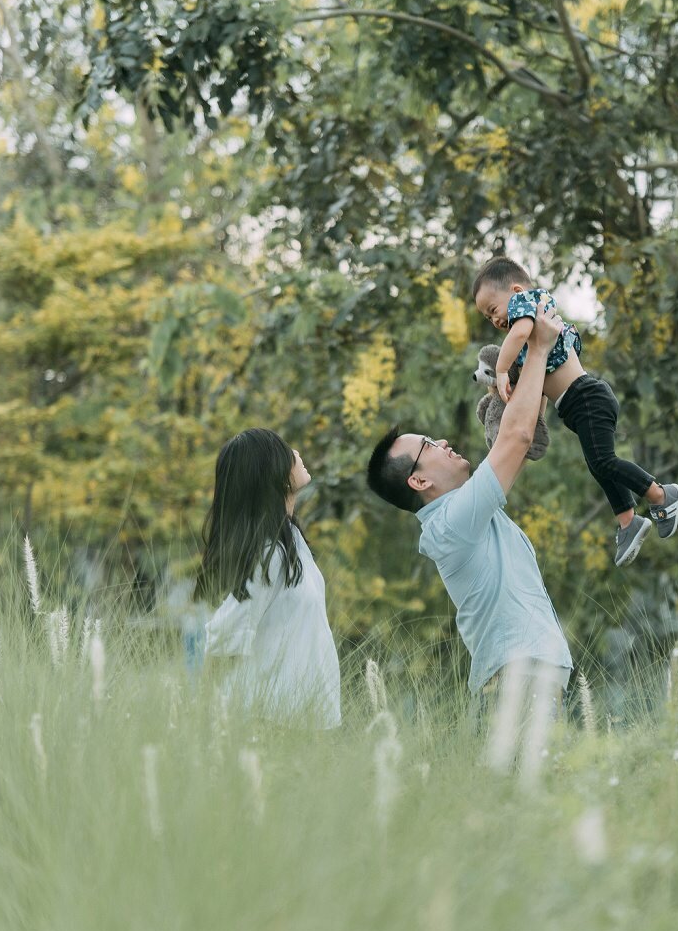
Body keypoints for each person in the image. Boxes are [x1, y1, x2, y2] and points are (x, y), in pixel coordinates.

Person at [365, 303, 571, 719]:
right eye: (428, 446)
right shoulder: (450, 525)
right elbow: (515, 438)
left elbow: (519, 433)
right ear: (419, 481)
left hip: (530, 677)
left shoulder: (464, 516)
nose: (442, 442)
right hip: (517, 679)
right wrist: (536, 350)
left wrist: (520, 376)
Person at [471, 256, 678, 567]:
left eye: (493, 310)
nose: (495, 321)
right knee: (598, 465)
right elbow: (537, 385)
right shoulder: (535, 330)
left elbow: (516, 336)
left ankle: (662, 496)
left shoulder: (527, 306)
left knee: (603, 460)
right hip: (579, 403)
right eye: (487, 318)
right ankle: (628, 522)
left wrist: (502, 370)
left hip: (586, 397)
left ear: (515, 291)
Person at [196, 428, 341, 729]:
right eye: (287, 452)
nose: (297, 454)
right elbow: (223, 638)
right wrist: (203, 724)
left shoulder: (291, 541)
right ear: (273, 474)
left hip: (305, 721)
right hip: (271, 724)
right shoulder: (269, 554)